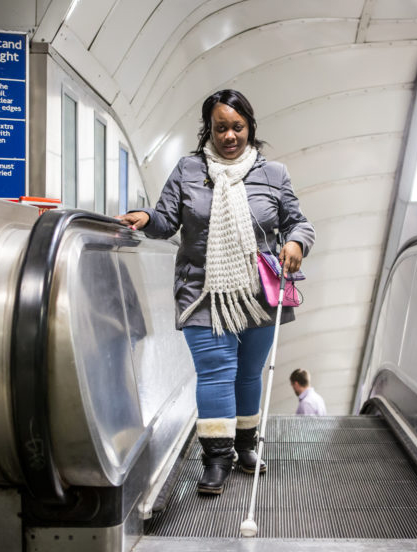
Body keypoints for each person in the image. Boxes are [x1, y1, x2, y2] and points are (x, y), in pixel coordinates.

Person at [116, 89, 315, 495]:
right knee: (216, 371)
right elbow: (167, 219)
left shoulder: (273, 174)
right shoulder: (188, 169)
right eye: (220, 127)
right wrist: (146, 217)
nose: (228, 136)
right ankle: (216, 458)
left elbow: (299, 223)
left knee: (247, 373)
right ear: (209, 129)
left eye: (236, 127)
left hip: (258, 294)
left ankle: (245, 447)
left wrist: (295, 242)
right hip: (202, 290)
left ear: (250, 128)